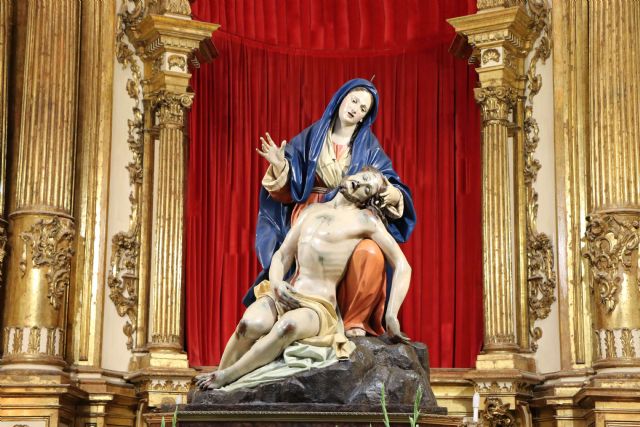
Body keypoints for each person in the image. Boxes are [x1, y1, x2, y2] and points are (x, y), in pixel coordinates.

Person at [197, 168, 411, 390]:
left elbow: (403, 265)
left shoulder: (365, 220)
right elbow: (283, 255)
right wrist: (277, 283)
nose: (360, 185)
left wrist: (391, 314)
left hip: (318, 307)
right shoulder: (311, 210)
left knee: (286, 327)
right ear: (354, 174)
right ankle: (214, 391)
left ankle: (226, 376)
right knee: (249, 324)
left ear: (366, 200)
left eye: (367, 189)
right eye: (364, 178)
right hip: (286, 292)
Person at [250, 78, 416, 338]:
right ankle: (299, 311)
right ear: (341, 98)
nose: (355, 108)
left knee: (371, 253)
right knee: (304, 255)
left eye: (363, 108)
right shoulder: (311, 138)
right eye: (354, 100)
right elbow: (288, 189)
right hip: (312, 212)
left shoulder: (369, 147)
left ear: (364, 117)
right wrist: (280, 166)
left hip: (350, 218)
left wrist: (392, 192)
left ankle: (353, 320)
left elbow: (387, 181)